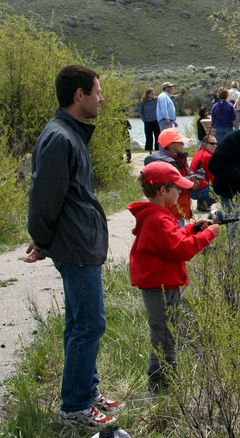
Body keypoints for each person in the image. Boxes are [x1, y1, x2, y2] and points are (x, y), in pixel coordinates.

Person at [26, 64, 124, 428]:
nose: (101, 97)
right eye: (97, 91)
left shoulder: (70, 134)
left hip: (79, 245)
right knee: (89, 325)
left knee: (79, 323)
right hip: (75, 247)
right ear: (78, 95)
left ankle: (86, 390)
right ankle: (75, 406)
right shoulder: (60, 138)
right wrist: (42, 239)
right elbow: (43, 198)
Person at [128, 161, 220, 392]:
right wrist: (208, 234)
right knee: (164, 335)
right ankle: (161, 384)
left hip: (163, 283)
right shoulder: (157, 219)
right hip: (160, 287)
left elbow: (172, 239)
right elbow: (180, 250)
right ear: (162, 191)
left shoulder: (159, 215)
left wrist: (193, 228)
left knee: (167, 332)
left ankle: (166, 380)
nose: (180, 192)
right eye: (176, 188)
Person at [145, 128, 198, 226]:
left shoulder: (180, 158)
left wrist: (193, 181)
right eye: (180, 141)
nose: (183, 144)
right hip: (172, 210)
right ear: (171, 144)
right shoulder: (166, 162)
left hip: (180, 208)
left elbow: (186, 176)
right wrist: (189, 180)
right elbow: (171, 184)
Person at [190, 134, 218, 211]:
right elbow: (214, 178)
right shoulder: (208, 156)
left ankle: (201, 203)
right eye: (212, 143)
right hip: (197, 189)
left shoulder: (199, 152)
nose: (215, 145)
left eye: (216, 143)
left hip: (191, 189)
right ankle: (205, 203)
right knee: (221, 188)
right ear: (205, 144)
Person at [139, 87, 160, 152]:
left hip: (156, 121)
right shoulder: (143, 102)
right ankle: (149, 150)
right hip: (147, 122)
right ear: (148, 94)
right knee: (149, 137)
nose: (153, 94)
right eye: (151, 93)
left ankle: (157, 149)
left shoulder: (156, 99)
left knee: (157, 135)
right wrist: (144, 120)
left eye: (153, 93)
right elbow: (141, 112)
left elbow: (165, 98)